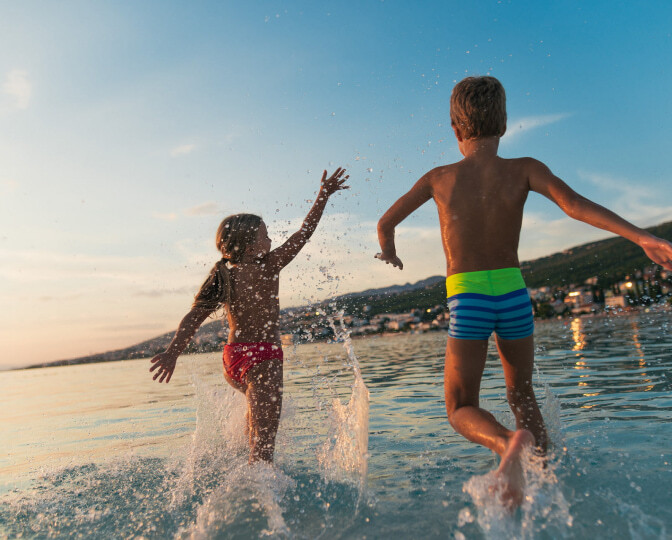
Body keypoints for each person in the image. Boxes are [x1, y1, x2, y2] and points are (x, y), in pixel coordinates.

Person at [375, 76, 672, 506]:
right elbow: (575, 206)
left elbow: (385, 224)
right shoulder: (525, 168)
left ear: (456, 129)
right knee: (521, 392)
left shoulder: (439, 178)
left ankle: (506, 446)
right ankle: (545, 479)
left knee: (460, 406)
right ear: (505, 124)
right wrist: (640, 237)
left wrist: (391, 254)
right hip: (514, 294)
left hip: (469, 296)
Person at [150, 168, 349, 463]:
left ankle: (241, 478)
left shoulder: (224, 276)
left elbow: (194, 317)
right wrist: (323, 195)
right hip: (264, 358)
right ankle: (258, 495)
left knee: (253, 434)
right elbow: (303, 233)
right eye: (266, 236)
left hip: (233, 360)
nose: (270, 241)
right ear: (249, 245)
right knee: (264, 451)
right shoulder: (268, 266)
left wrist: (172, 353)